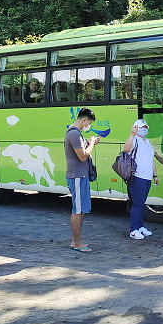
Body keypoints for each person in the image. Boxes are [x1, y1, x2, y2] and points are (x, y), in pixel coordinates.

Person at [64, 107, 100, 252]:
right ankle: (77, 243)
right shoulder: (73, 134)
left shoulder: (75, 133)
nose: (88, 125)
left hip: (80, 175)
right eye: (89, 122)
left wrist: (91, 142)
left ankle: (76, 241)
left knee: (81, 209)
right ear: (84, 120)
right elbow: (83, 156)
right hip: (77, 176)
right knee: (78, 210)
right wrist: (91, 143)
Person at [124, 118, 159, 239]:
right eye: (141, 127)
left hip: (147, 177)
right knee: (137, 204)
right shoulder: (134, 140)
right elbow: (126, 149)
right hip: (137, 177)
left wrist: (155, 175)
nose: (144, 129)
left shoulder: (147, 142)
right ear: (136, 128)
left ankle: (140, 227)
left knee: (141, 203)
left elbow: (151, 159)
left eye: (145, 128)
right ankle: (133, 229)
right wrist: (131, 134)